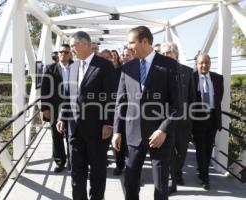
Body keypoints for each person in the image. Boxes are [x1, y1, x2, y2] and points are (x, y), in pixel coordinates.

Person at [112, 26, 181, 200]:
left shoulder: (170, 65)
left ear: (144, 41)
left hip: (160, 137)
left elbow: (177, 105)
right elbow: (121, 103)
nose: (128, 47)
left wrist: (163, 129)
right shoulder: (127, 68)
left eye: (131, 42)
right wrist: (117, 131)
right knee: (130, 183)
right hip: (134, 134)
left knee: (160, 186)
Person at [56, 31, 115, 200]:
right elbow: (68, 95)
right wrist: (62, 116)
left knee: (97, 173)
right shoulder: (73, 66)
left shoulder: (104, 66)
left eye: (73, 45)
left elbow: (110, 97)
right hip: (74, 130)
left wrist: (108, 123)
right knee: (76, 171)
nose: (71, 49)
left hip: (97, 130)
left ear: (85, 44)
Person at [160, 42, 196, 194]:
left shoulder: (188, 72)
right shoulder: (157, 71)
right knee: (167, 150)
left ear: (176, 54)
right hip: (164, 119)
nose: (166, 55)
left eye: (169, 52)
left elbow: (193, 97)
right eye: (163, 53)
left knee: (181, 150)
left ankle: (177, 172)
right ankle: (171, 179)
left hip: (183, 119)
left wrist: (191, 117)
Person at [192, 53, 224, 190]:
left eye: (206, 62)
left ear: (210, 63)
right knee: (200, 148)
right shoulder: (192, 78)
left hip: (212, 118)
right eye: (201, 63)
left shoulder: (217, 78)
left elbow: (219, 97)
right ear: (197, 64)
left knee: (208, 147)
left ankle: (202, 169)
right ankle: (205, 178)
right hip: (198, 118)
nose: (204, 65)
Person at [41, 44, 73, 173]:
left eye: (66, 52)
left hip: (72, 107)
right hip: (55, 107)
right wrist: (45, 108)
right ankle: (60, 162)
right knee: (56, 136)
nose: (63, 54)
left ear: (70, 53)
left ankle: (72, 162)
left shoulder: (76, 67)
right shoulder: (50, 69)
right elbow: (44, 89)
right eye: (60, 52)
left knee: (72, 136)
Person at [113, 47, 134, 176]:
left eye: (128, 55)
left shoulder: (139, 71)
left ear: (133, 56)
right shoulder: (117, 70)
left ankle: (131, 168)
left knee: (130, 144)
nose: (125, 57)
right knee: (119, 139)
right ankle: (119, 165)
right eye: (123, 55)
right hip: (120, 111)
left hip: (134, 113)